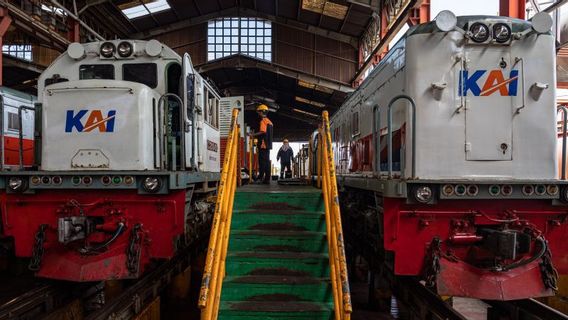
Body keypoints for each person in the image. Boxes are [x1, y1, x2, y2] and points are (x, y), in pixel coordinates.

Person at [249, 104, 273, 184]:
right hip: (268, 144)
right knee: (266, 161)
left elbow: (263, 131)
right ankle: (266, 179)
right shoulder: (269, 121)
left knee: (262, 161)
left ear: (261, 112)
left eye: (258, 112)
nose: (258, 113)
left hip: (263, 144)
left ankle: (261, 178)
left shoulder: (263, 121)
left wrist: (252, 135)